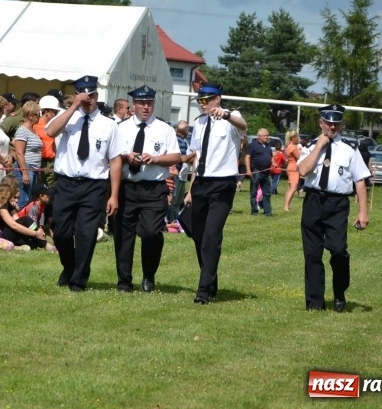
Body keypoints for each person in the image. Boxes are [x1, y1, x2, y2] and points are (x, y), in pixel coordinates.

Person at [45, 75, 122, 292]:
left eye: (92, 96)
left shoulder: (108, 124)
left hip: (93, 186)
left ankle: (78, 280)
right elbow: (50, 132)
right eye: (84, 96)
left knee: (86, 234)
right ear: (77, 96)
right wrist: (73, 107)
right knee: (60, 232)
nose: (89, 100)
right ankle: (69, 266)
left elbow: (115, 160)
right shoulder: (67, 117)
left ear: (97, 96)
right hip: (66, 183)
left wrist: (114, 195)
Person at [297, 104, 370, 312]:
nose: (332, 127)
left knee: (338, 250)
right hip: (313, 201)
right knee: (312, 254)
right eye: (328, 122)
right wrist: (319, 146)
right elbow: (302, 170)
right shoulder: (311, 146)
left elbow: (360, 181)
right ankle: (314, 302)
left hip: (337, 204)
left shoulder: (350, 148)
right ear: (320, 123)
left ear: (341, 125)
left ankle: (339, 292)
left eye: (336, 123)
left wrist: (363, 211)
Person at [183, 82, 247, 305]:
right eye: (199, 101)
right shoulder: (200, 123)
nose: (202, 104)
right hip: (201, 183)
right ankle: (210, 279)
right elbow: (197, 158)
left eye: (206, 100)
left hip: (222, 184)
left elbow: (243, 126)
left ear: (217, 99)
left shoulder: (231, 119)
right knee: (199, 236)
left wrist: (226, 115)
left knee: (211, 236)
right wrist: (191, 189)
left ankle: (203, 290)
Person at [114, 85, 181, 293]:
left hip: (153, 188)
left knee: (151, 232)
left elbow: (176, 156)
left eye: (150, 103)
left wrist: (156, 159)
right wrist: (127, 157)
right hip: (127, 186)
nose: (146, 107)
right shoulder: (120, 128)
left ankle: (149, 275)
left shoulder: (164, 129)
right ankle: (124, 281)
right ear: (134, 104)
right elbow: (112, 156)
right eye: (142, 103)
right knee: (123, 236)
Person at [13, 100, 43, 209]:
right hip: (26, 167)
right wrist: (24, 173)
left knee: (29, 199)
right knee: (23, 199)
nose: (39, 117)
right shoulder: (22, 130)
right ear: (30, 116)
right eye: (38, 114)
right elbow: (19, 153)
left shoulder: (33, 131)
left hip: (34, 169)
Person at [245, 128, 273, 216]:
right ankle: (254, 211)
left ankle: (268, 211)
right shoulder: (252, 145)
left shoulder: (268, 145)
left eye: (267, 135)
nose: (267, 137)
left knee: (267, 193)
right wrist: (248, 170)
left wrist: (274, 162)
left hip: (266, 172)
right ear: (259, 136)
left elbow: (271, 156)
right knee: (254, 192)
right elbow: (247, 157)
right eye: (265, 136)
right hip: (256, 171)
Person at [283, 130, 301, 212]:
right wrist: (301, 151)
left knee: (290, 188)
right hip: (293, 167)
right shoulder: (293, 147)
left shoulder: (289, 146)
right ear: (292, 138)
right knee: (293, 188)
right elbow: (299, 157)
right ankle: (286, 206)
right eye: (296, 137)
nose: (297, 138)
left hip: (290, 166)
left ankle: (287, 205)